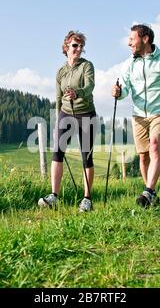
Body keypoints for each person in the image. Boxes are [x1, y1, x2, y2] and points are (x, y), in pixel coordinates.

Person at [112, 24, 160, 208]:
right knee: (143, 157)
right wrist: (118, 92)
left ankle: (147, 192)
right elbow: (125, 90)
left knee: (155, 145)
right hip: (138, 115)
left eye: (132, 39)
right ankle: (150, 194)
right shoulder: (128, 64)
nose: (129, 43)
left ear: (145, 38)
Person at [38, 30, 97, 212]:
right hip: (65, 113)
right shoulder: (60, 71)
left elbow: (90, 86)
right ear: (66, 47)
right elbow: (57, 97)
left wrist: (77, 93)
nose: (78, 49)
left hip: (86, 113)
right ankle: (54, 196)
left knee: (86, 156)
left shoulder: (87, 66)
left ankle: (86, 199)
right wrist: (57, 122)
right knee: (57, 152)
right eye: (74, 45)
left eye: (81, 46)